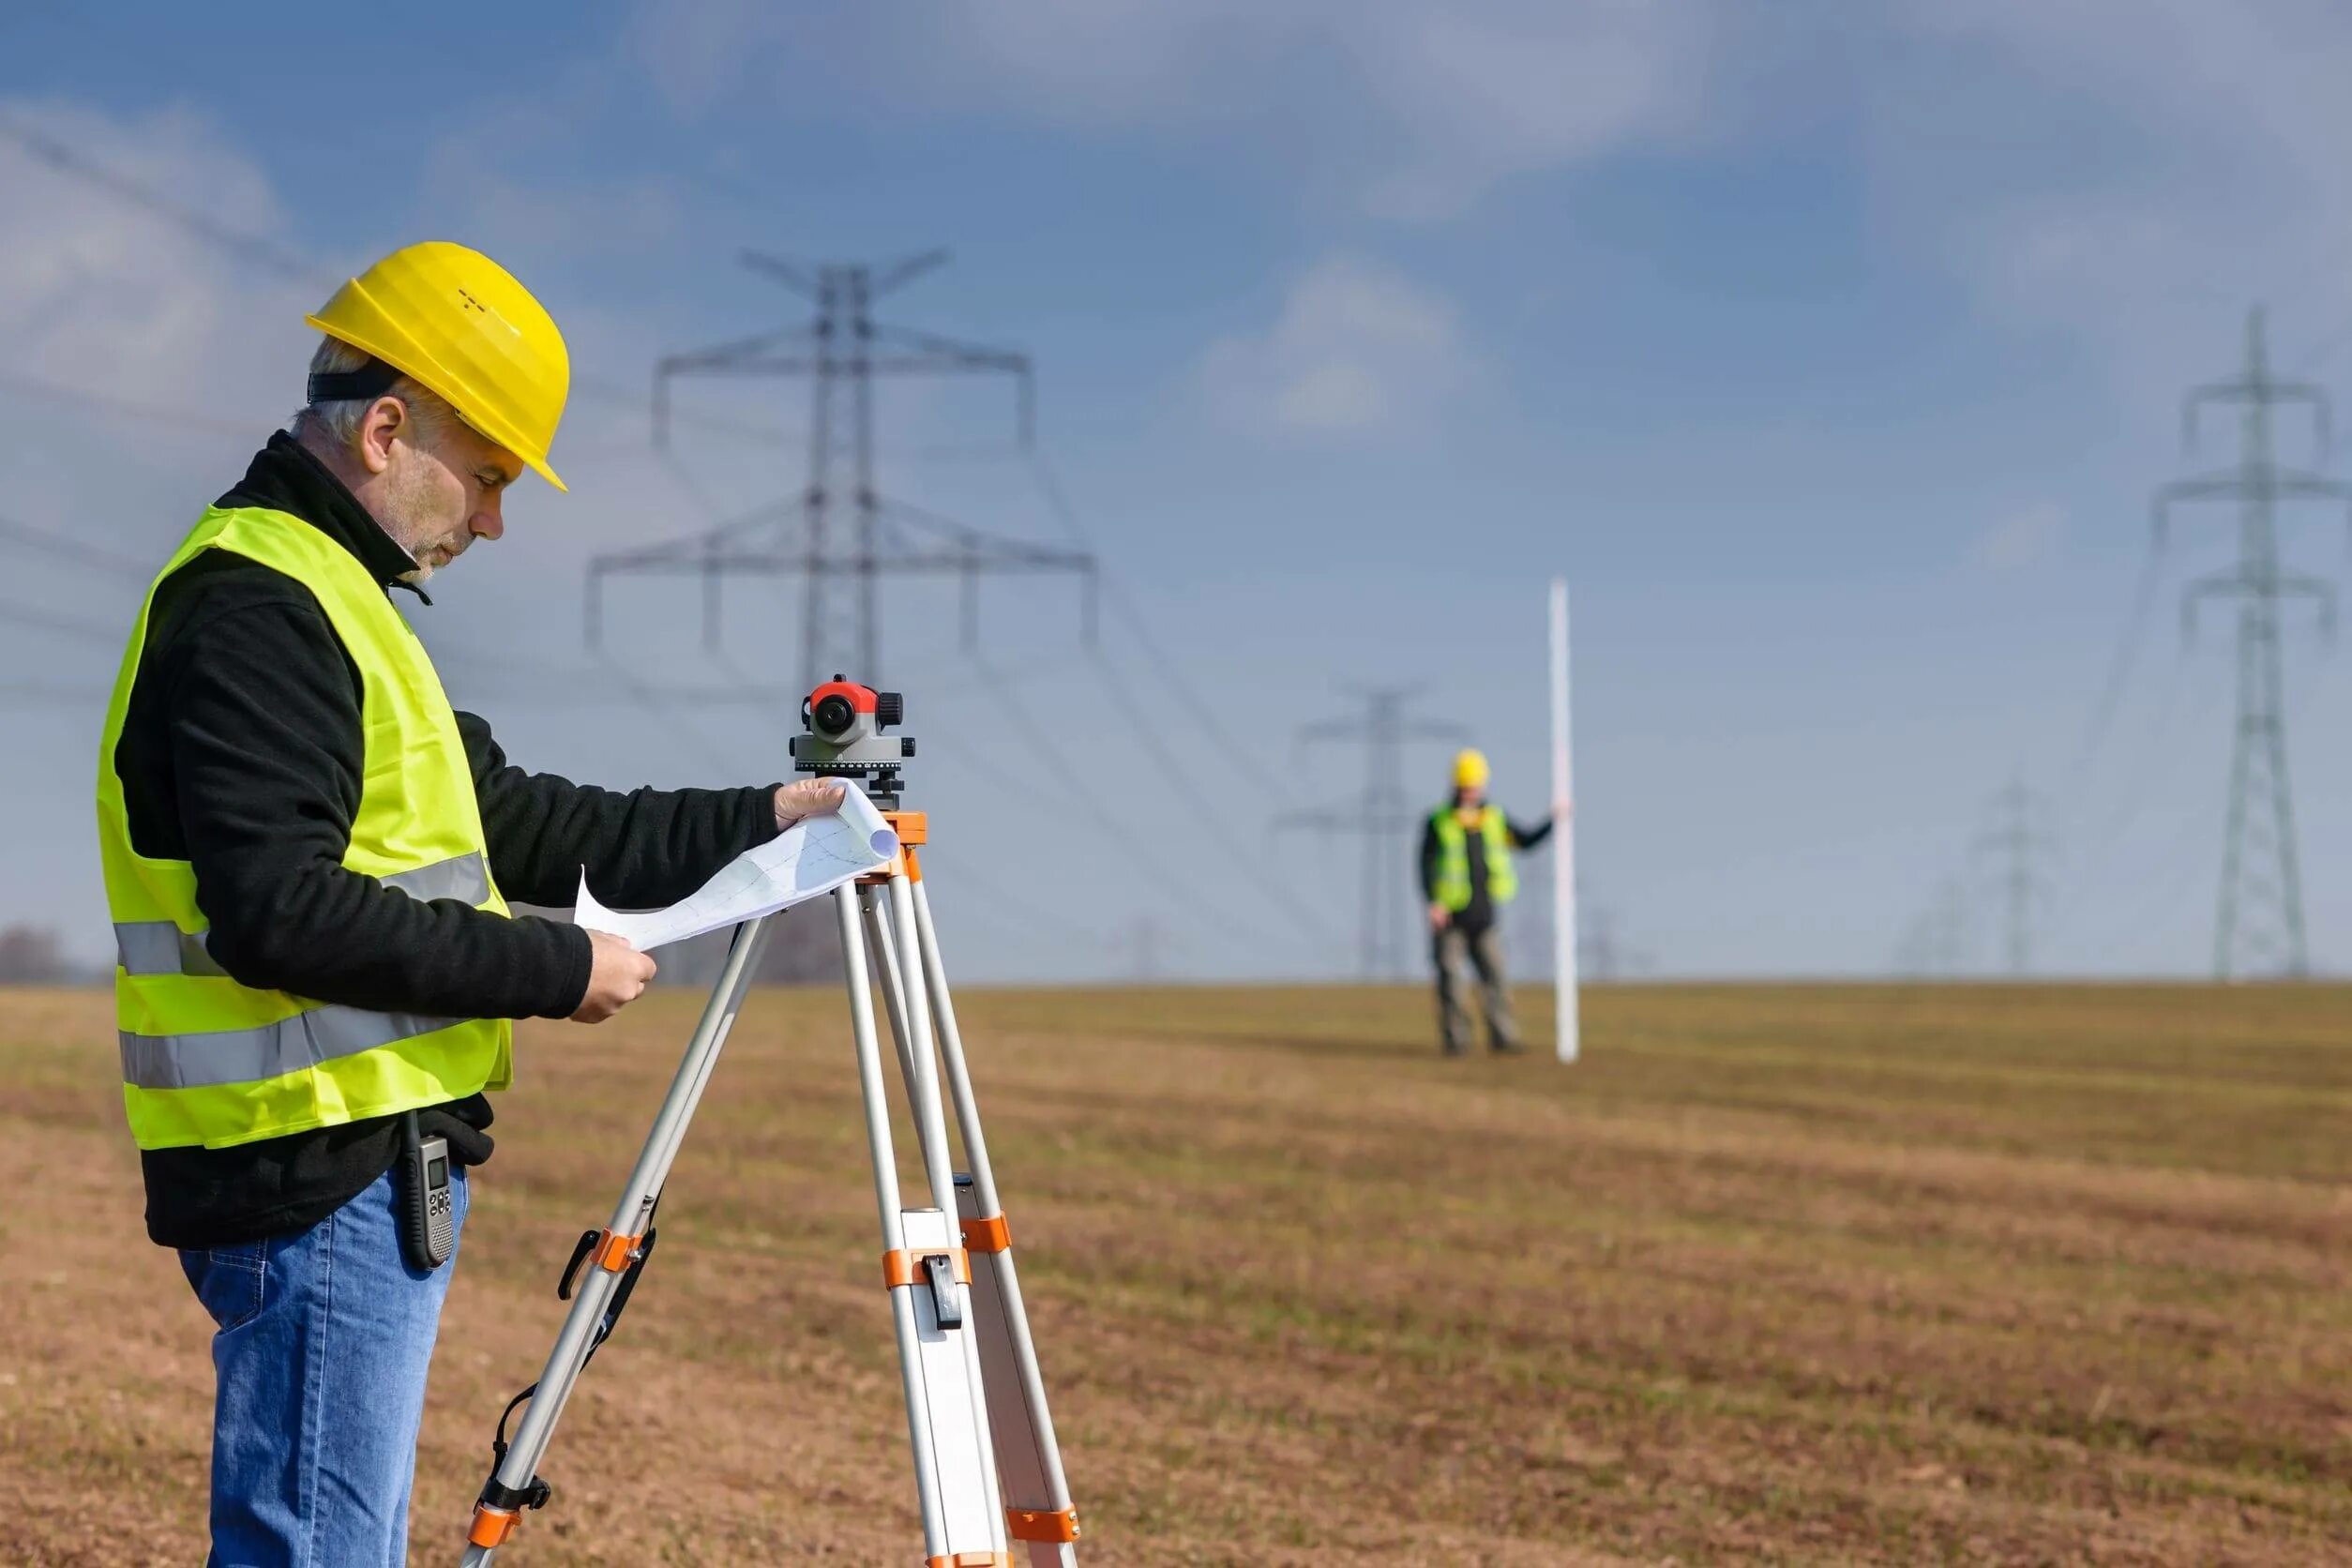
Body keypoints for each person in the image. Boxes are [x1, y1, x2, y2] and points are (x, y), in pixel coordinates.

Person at [94, 240, 846, 1565]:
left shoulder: (339, 605)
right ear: (387, 430)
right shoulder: (260, 609)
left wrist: (765, 820)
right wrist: (555, 970)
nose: (494, 520)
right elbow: (280, 913)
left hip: (351, 1164)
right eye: (490, 474)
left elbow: (532, 823)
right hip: (314, 1162)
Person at [1418, 748, 1552, 1056]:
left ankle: (1503, 1036)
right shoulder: (1439, 821)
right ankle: (1457, 1040)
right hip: (1450, 916)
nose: (1471, 791)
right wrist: (1432, 903)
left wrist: (1554, 820)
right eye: (1466, 785)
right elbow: (1424, 866)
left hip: (1485, 915)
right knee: (1451, 980)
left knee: (1496, 979)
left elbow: (1525, 841)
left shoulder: (1494, 819)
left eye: (1475, 785)